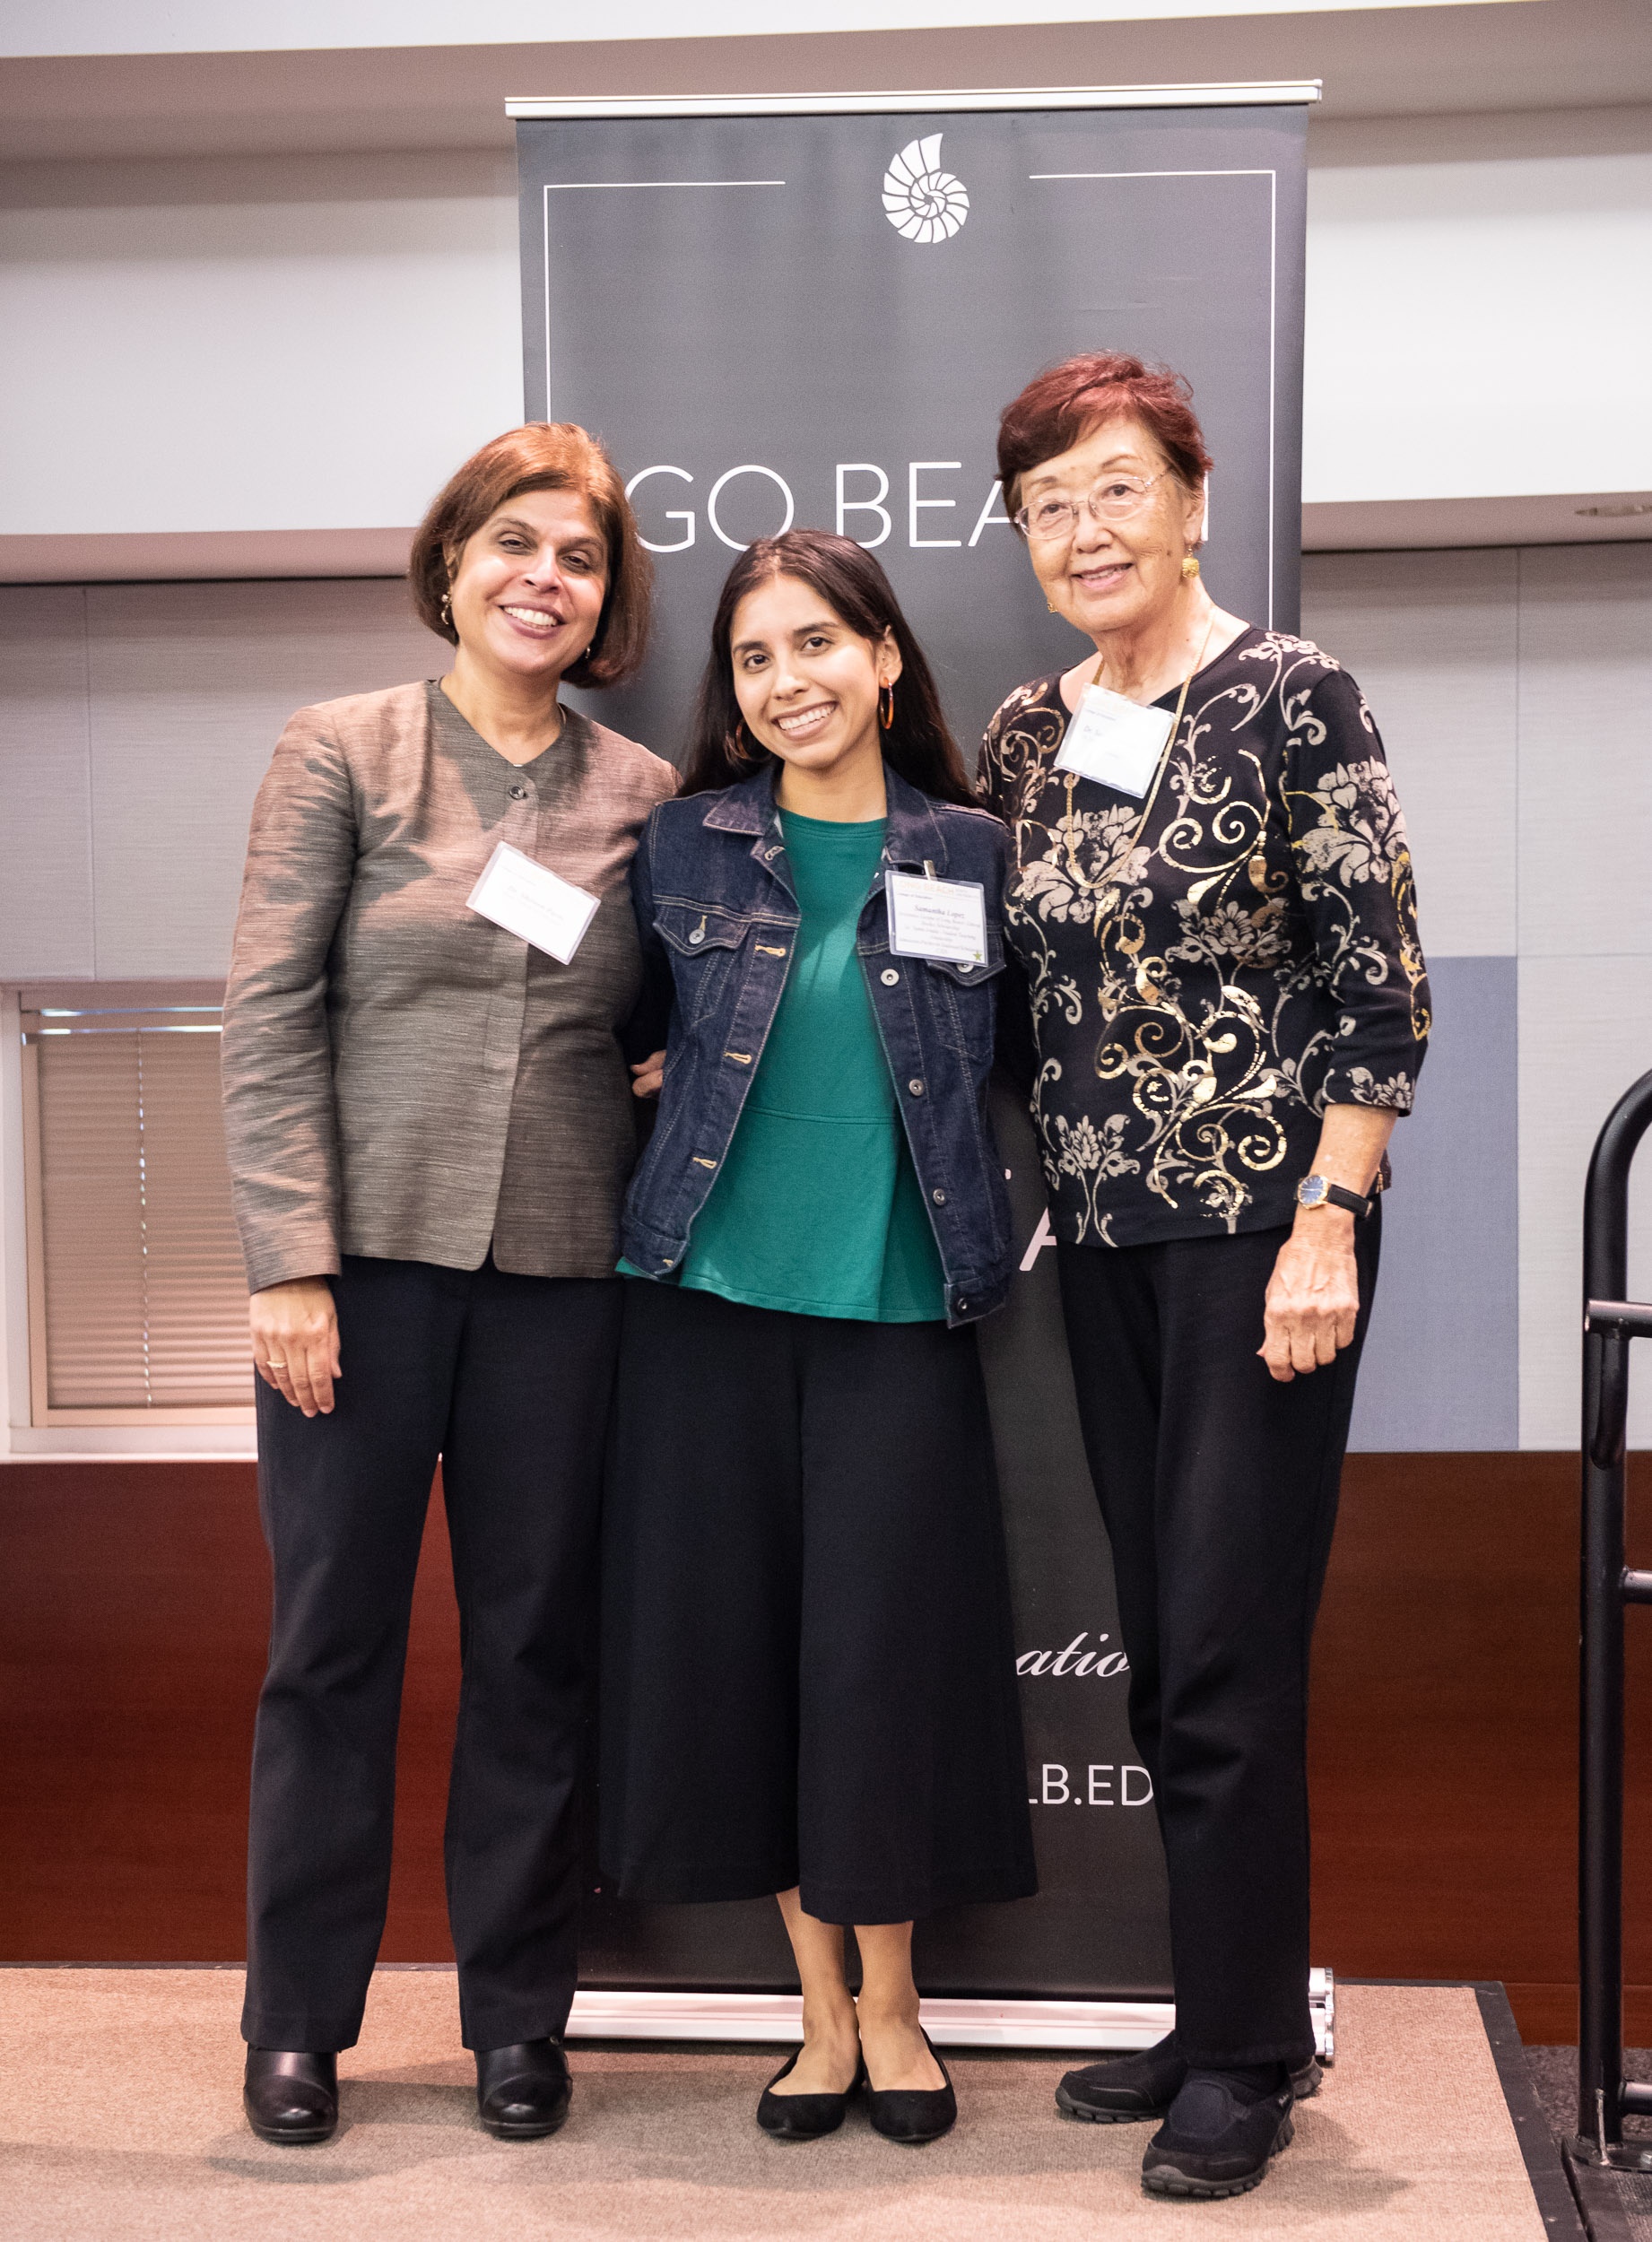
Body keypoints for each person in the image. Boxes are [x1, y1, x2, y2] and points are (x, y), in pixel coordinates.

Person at [978, 352, 1429, 2201]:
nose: (1083, 531)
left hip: (1265, 1237)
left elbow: (1381, 981)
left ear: (1190, 496)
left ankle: (1249, 2054)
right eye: (1047, 506)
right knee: (1166, 1651)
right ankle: (1213, 2001)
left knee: (1229, 1651)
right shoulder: (1028, 730)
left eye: (1113, 488)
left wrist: (1329, 1218)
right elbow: (985, 982)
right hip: (1098, 1236)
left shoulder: (1292, 694)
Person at [221, 423, 676, 2148]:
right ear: (453, 562)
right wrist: (289, 1266)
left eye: (575, 557)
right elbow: (268, 1018)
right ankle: (298, 2025)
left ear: (604, 596)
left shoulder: (639, 792)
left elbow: (662, 1021)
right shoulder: (341, 751)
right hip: (354, 1287)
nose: (541, 577)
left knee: (533, 1655)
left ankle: (516, 2020)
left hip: (561, 1281)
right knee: (328, 1653)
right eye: (513, 544)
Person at [603, 530, 1036, 2147]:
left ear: (886, 657)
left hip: (898, 1316)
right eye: (753, 659)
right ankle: (817, 2015)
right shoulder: (687, 845)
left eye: (814, 646)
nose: (787, 682)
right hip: (705, 1312)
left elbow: (1023, 1066)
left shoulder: (971, 851)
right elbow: (616, 1039)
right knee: (754, 1659)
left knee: (879, 1665)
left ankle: (900, 2005)